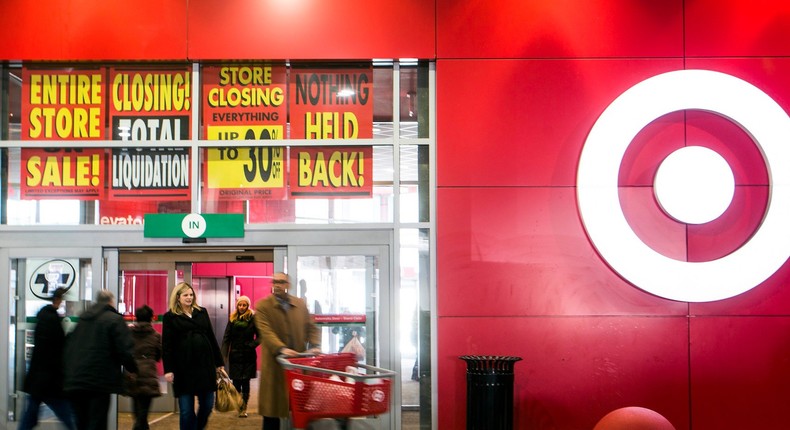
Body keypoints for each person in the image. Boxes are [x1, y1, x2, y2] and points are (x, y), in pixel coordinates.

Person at [255, 272, 321, 430]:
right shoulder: (263, 306)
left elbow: (311, 327)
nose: (277, 285)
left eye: (281, 282)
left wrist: (315, 345)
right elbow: (266, 332)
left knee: (300, 409)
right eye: (274, 282)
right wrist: (282, 348)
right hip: (275, 366)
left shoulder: (300, 304)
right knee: (272, 412)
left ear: (288, 285)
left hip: (298, 365)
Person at [64, 290, 138, 430]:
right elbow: (125, 349)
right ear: (111, 301)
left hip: (75, 380)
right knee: (97, 423)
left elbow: (69, 346)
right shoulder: (114, 319)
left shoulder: (83, 319)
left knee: (82, 423)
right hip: (98, 382)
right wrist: (133, 368)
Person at [162, 282, 224, 430]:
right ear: (178, 298)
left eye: (191, 294)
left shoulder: (201, 312)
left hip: (205, 366)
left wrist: (219, 362)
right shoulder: (170, 317)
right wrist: (168, 369)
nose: (189, 298)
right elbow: (167, 346)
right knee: (186, 411)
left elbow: (211, 337)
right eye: (185, 295)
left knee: (208, 405)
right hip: (183, 368)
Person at [19, 287, 76, 430]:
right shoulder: (51, 319)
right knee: (68, 415)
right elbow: (56, 347)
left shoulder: (44, 316)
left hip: (39, 378)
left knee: (29, 417)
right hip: (49, 380)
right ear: (59, 300)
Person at [221, 295, 258, 418]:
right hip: (235, 355)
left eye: (244, 305)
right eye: (240, 305)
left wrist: (251, 345)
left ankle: (244, 408)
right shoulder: (232, 319)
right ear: (237, 305)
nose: (242, 307)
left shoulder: (253, 319)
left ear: (248, 306)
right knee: (236, 383)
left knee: (245, 382)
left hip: (248, 355)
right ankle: (239, 405)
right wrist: (223, 357)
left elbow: (261, 336)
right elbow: (226, 339)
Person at [126, 305, 162, 430]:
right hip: (148, 375)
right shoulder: (156, 336)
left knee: (138, 414)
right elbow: (158, 356)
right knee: (143, 414)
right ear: (151, 318)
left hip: (132, 375)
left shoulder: (129, 333)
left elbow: (125, 351)